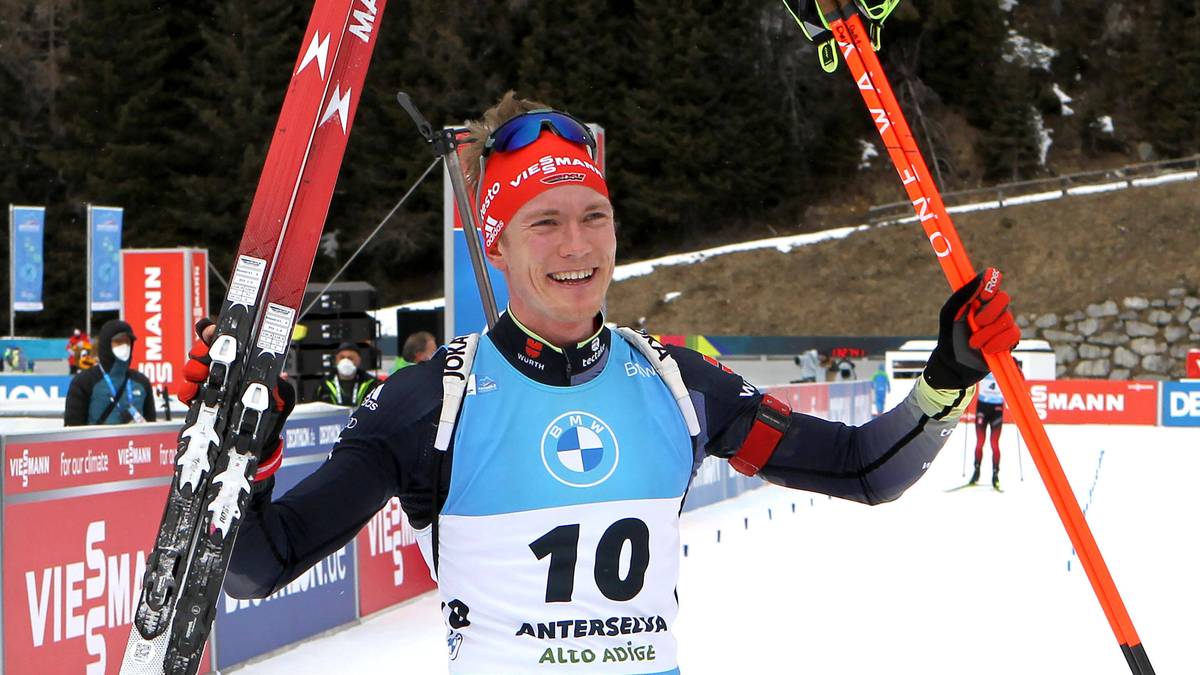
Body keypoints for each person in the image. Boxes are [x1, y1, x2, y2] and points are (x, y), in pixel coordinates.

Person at [180, 93, 1019, 673]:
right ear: (499, 246)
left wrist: (948, 373)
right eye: (543, 222)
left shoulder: (678, 385)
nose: (576, 245)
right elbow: (258, 566)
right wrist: (237, 452)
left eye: (594, 216)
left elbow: (865, 468)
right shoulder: (432, 401)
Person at [64, 319, 156, 426]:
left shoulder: (141, 382)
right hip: (97, 442)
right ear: (106, 345)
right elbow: (72, 428)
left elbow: (151, 427)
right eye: (118, 342)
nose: (124, 346)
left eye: (127, 342)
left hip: (136, 442)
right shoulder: (84, 381)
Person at [316, 342, 380, 407]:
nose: (346, 361)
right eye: (342, 357)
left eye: (350, 358)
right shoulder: (323, 385)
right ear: (336, 360)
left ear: (358, 360)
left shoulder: (372, 384)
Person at [970, 371, 1005, 489]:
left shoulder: (1004, 365)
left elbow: (1020, 378)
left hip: (997, 408)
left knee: (994, 443)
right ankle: (976, 471)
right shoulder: (984, 362)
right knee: (980, 441)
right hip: (982, 406)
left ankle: (995, 475)